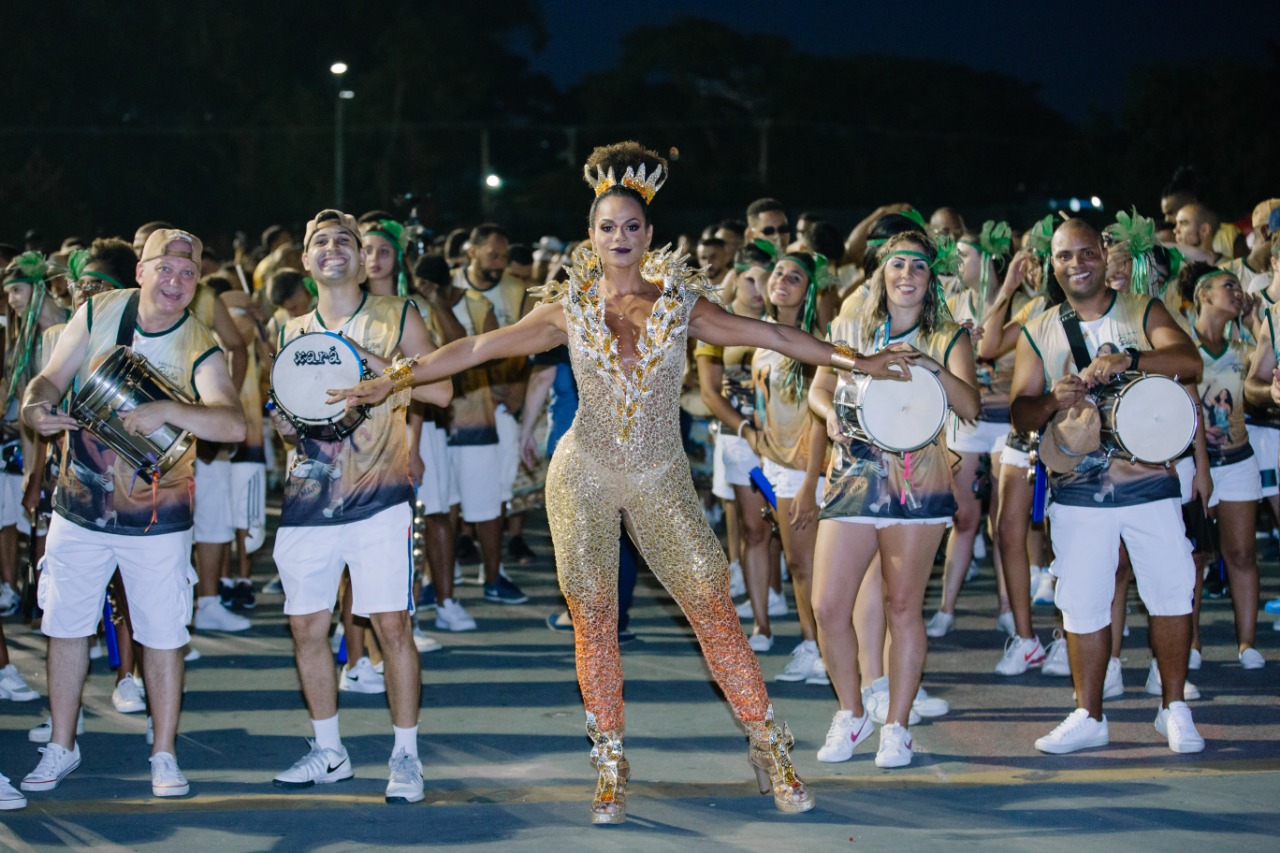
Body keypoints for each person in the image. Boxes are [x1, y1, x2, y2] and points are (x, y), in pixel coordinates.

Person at [331, 142, 915, 824]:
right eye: (607, 226)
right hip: (581, 475)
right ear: (590, 234)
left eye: (631, 227)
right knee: (595, 620)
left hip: (660, 475)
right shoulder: (564, 310)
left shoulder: (681, 305)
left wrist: (860, 360)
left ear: (649, 234)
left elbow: (773, 335)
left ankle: (769, 746)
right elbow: (476, 350)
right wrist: (393, 378)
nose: (619, 237)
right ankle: (609, 764)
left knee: (713, 609)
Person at [21, 228, 245, 797]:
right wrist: (35, 405)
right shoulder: (98, 311)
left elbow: (233, 423)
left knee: (162, 634)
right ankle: (61, 746)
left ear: (197, 284)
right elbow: (53, 376)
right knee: (66, 626)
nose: (174, 279)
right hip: (79, 505)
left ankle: (163, 754)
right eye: (164, 268)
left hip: (157, 516)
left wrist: (170, 407)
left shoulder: (201, 342)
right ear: (141, 271)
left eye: (187, 272)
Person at [268, 209, 451, 805]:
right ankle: (330, 750)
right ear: (306, 260)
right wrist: (282, 422)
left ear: (362, 255)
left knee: (391, 626)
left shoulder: (398, 314)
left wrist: (374, 365)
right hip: (308, 496)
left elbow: (441, 389)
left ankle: (405, 755)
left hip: (380, 496)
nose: (331, 249)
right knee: (306, 627)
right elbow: (292, 420)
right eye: (318, 241)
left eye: (342, 240)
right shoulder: (292, 329)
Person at [1010, 219, 1204, 755]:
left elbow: (1189, 361)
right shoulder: (1040, 327)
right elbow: (1021, 412)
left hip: (1149, 479)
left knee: (1170, 591)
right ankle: (1088, 714)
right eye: (1064, 256)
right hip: (1077, 484)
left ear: (1103, 253)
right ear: (1053, 265)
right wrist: (1052, 399)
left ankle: (1173, 709)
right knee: (1083, 602)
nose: (1077, 264)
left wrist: (1132, 359)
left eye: (1085, 253)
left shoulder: (1142, 310)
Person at [809, 231, 979, 768]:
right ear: (882, 273)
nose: (907, 275)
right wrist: (828, 413)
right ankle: (852, 713)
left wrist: (930, 364)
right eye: (897, 265)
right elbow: (818, 386)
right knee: (827, 605)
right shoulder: (850, 327)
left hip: (920, 482)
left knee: (902, 606)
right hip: (855, 474)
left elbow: (971, 404)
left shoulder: (950, 335)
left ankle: (898, 726)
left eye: (919, 268)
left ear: (931, 281)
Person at [1184, 264, 1264, 669]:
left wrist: (1255, 324)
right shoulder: (1181, 347)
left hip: (1238, 462)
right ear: (1204, 295)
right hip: (1193, 466)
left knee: (1241, 554)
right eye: (1228, 285)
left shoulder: (1243, 350)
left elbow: (1265, 379)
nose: (1237, 292)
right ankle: (1192, 644)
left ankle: (1247, 644)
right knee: (1194, 557)